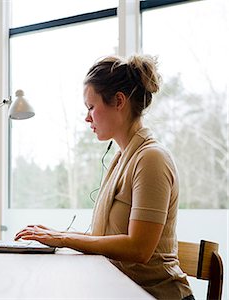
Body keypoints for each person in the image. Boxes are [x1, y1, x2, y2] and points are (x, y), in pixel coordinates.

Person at [15, 54, 194, 300]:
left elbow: (139, 248)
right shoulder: (122, 158)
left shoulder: (151, 158)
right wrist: (57, 236)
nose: (87, 117)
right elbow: (107, 239)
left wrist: (63, 238)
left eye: (91, 107)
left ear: (119, 101)